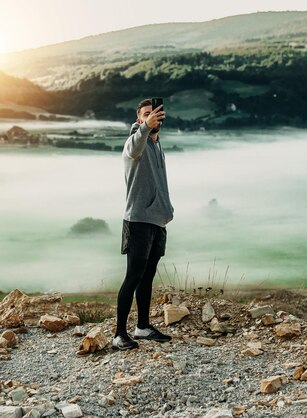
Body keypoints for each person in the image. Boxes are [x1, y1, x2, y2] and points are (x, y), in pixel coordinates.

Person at [112, 98, 175, 350]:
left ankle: (143, 327)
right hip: (138, 220)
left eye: (155, 113)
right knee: (133, 276)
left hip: (158, 220)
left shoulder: (157, 145)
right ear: (139, 119)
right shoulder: (134, 142)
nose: (151, 117)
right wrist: (144, 128)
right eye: (146, 115)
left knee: (147, 276)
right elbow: (135, 147)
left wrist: (167, 210)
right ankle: (119, 334)